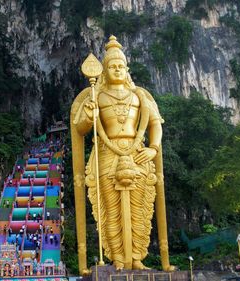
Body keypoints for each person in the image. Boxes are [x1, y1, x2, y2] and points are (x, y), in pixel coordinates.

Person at [71, 36, 173, 272]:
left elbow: (155, 124)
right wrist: (89, 114)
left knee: (140, 208)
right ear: (104, 71)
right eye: (112, 66)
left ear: (127, 69)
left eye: (120, 66)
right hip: (107, 154)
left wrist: (153, 149)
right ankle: (117, 257)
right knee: (111, 209)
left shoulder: (140, 96)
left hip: (137, 152)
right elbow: (80, 129)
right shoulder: (96, 96)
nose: (116, 70)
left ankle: (137, 257)